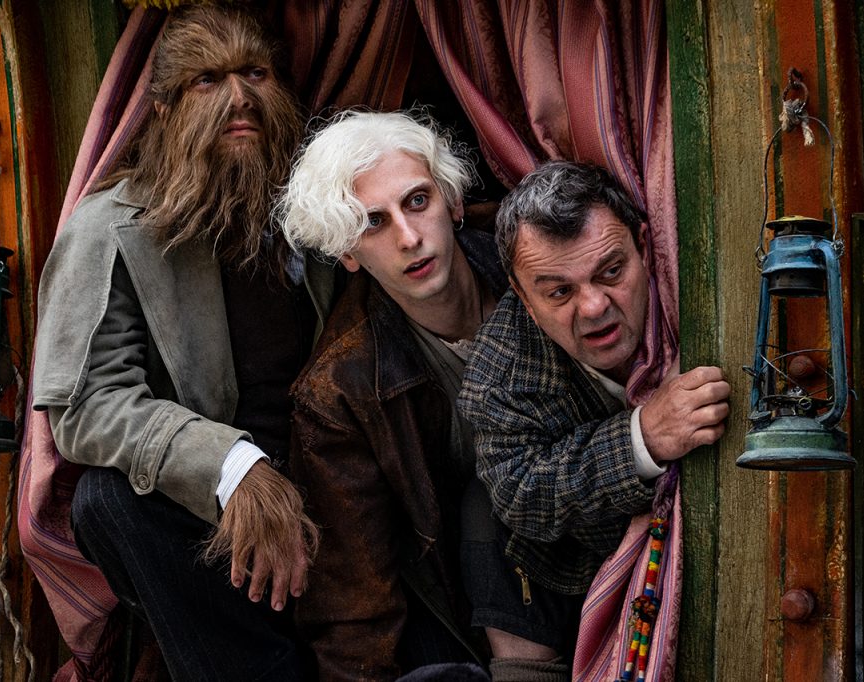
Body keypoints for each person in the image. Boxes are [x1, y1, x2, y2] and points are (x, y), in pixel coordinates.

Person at [31, 6, 339, 680]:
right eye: (208, 80)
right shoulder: (110, 225)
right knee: (106, 502)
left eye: (256, 73)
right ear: (166, 110)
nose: (240, 97)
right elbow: (85, 405)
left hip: (335, 493)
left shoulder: (320, 210)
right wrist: (232, 467)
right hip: (204, 516)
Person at [278, 111, 578, 681]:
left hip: (592, 514)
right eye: (373, 223)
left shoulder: (533, 262)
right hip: (469, 605)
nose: (409, 237)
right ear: (347, 253)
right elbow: (353, 594)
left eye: (417, 201)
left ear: (453, 202)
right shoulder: (338, 390)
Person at [459, 161, 731, 601]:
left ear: (644, 247)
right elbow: (520, 493)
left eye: (610, 272)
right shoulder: (497, 377)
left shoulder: (695, 284)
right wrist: (643, 438)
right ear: (524, 298)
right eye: (559, 292)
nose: (593, 306)